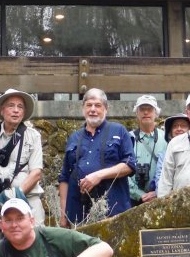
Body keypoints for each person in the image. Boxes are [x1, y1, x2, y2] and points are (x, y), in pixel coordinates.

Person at [58, 88, 136, 227]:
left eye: (98, 105)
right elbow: (64, 178)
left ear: (106, 108)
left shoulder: (119, 131)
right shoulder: (74, 137)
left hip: (113, 212)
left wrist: (98, 176)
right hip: (78, 214)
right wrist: (64, 215)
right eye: (89, 105)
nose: (93, 109)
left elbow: (129, 165)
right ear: (83, 108)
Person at [0, 89, 45, 223]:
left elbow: (36, 173)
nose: (16, 110)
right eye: (11, 106)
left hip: (27, 199)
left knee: (35, 233)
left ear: (24, 112)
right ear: (2, 110)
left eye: (20, 107)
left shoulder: (33, 136)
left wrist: (14, 196)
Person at [128, 95, 167, 206]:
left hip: (160, 198)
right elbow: (121, 171)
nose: (146, 112)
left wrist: (158, 192)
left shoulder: (166, 139)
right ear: (136, 113)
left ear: (156, 113)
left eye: (149, 109)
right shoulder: (127, 138)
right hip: (131, 200)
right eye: (142, 109)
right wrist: (138, 194)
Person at [153, 113, 190, 190]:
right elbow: (159, 180)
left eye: (183, 126)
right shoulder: (164, 155)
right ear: (170, 131)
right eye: (175, 126)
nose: (179, 128)